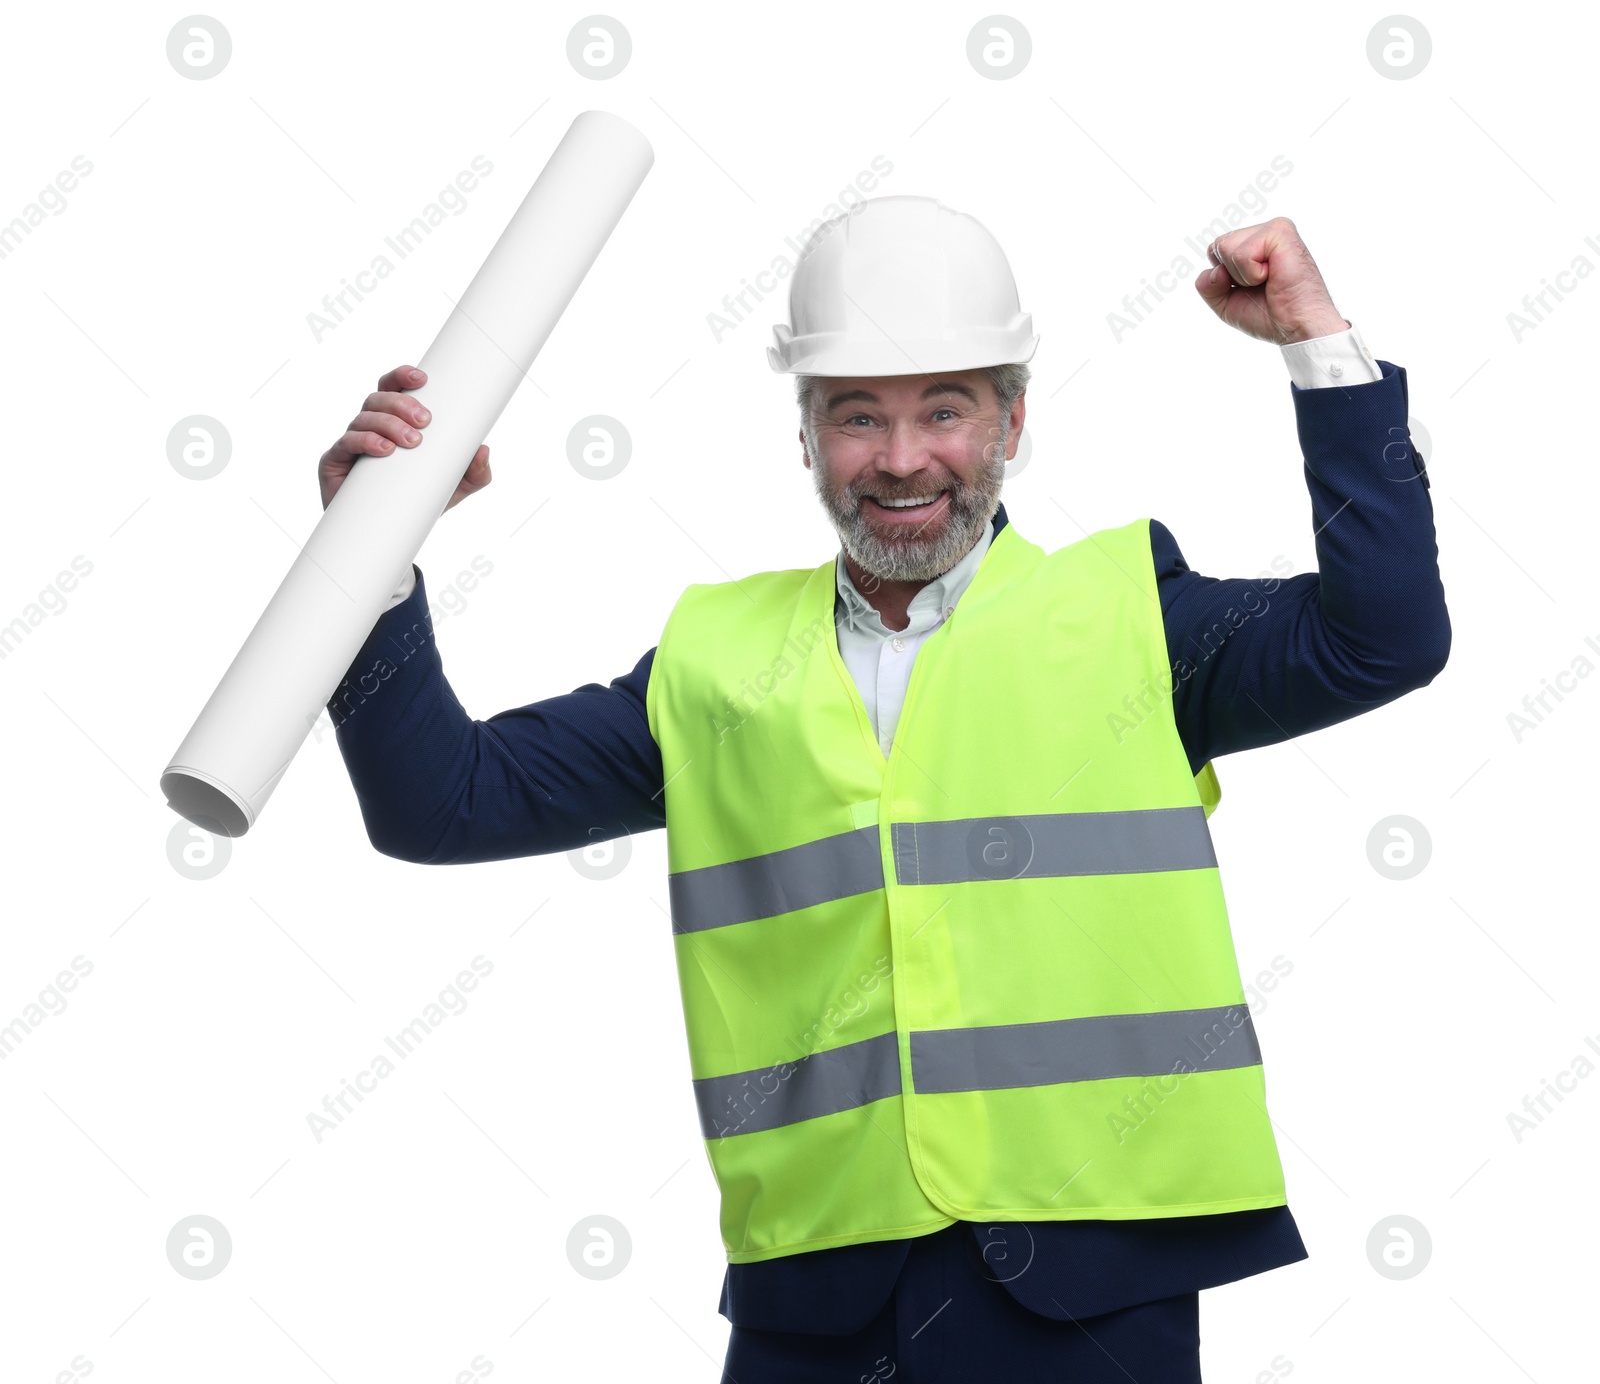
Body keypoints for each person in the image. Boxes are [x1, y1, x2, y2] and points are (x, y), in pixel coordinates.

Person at [320, 198, 1449, 1381]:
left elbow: (1386, 638)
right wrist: (367, 551)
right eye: (857, 415)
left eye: (945, 410)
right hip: (816, 1294)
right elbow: (436, 805)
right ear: (804, 436)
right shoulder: (713, 662)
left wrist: (1316, 342)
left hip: (1091, 1284)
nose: (902, 459)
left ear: (1012, 421)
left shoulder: (1131, 617)